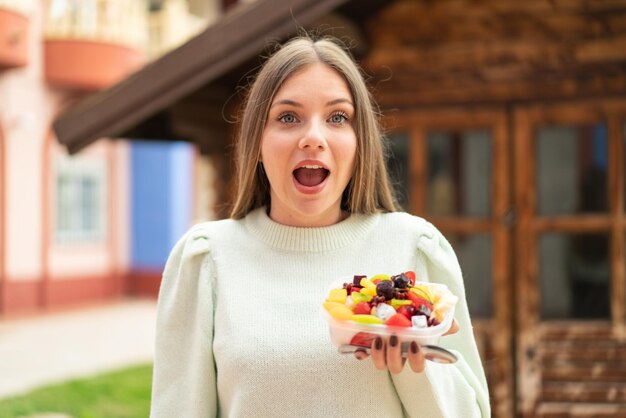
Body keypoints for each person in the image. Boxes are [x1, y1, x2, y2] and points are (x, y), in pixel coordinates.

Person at [150, 35, 490, 417]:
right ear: (257, 140)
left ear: (360, 142)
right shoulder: (207, 258)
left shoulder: (413, 247)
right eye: (288, 117)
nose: (313, 137)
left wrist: (414, 369)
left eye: (338, 117)